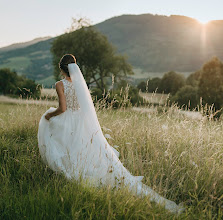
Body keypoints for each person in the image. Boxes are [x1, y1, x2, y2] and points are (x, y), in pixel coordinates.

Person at [38, 54, 184, 214]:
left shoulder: (60, 84)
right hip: (82, 122)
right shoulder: (81, 84)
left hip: (68, 121)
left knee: (57, 135)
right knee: (84, 149)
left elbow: (63, 109)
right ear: (75, 67)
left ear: (61, 69)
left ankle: (69, 172)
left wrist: (49, 115)